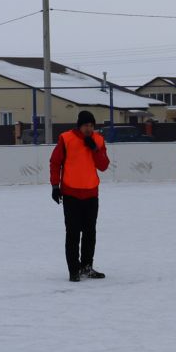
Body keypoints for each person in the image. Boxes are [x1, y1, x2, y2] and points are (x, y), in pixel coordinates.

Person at [50, 110, 110, 281]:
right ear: (79, 125)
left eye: (91, 125)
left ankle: (87, 266)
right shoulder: (66, 138)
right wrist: (55, 186)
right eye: (86, 125)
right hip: (71, 194)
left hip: (91, 194)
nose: (89, 129)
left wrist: (95, 149)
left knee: (90, 233)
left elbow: (104, 166)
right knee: (73, 233)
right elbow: (55, 163)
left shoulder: (98, 140)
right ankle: (74, 270)